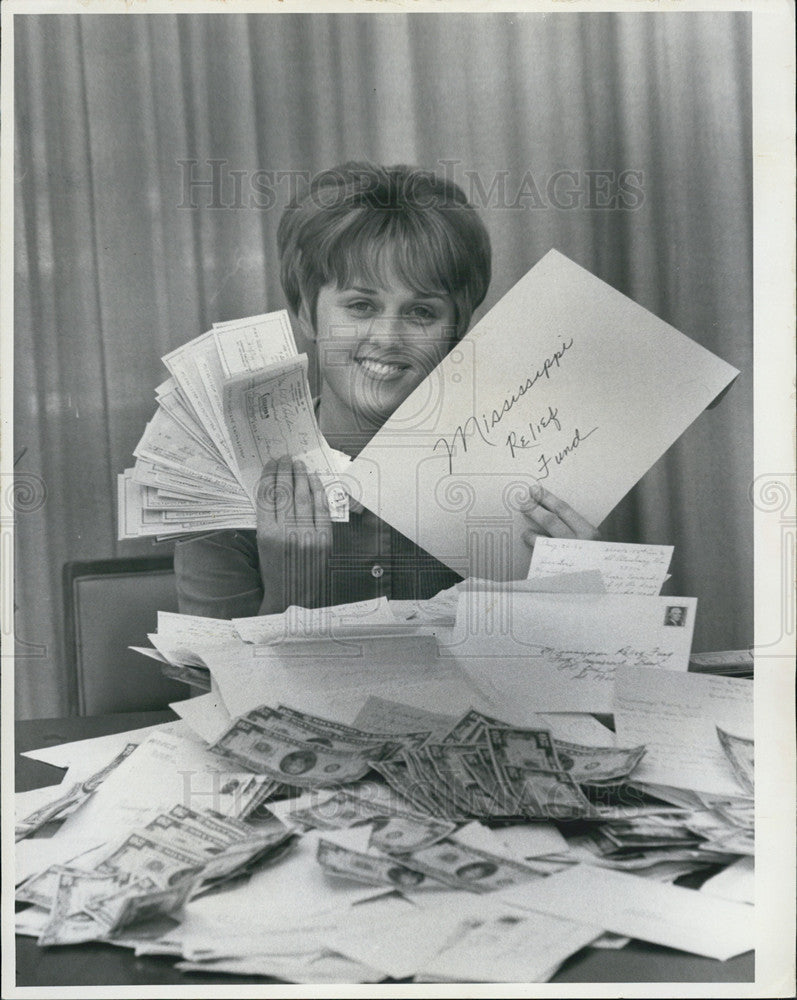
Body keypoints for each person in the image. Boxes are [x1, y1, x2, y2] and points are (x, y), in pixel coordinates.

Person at [175, 162, 599, 619]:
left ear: (458, 330)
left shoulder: (528, 480)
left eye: (421, 312)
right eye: (361, 305)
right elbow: (214, 687)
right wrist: (290, 592)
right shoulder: (225, 489)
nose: (388, 338)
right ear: (304, 311)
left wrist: (579, 595)